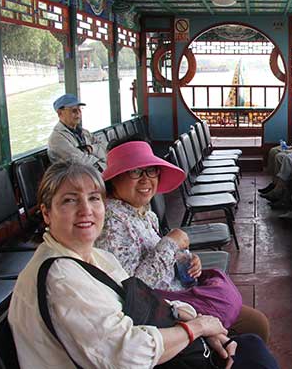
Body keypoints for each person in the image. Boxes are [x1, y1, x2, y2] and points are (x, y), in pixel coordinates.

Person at [9, 161, 277, 368]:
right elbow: (126, 355)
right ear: (46, 212)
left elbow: (141, 296)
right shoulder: (62, 279)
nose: (85, 210)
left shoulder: (95, 257)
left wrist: (202, 324)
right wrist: (196, 329)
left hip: (146, 333)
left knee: (249, 346)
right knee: (253, 353)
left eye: (93, 198)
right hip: (130, 357)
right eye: (69, 200)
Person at [95, 139, 271, 343]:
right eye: (135, 172)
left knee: (257, 324)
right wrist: (170, 243)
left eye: (151, 170)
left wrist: (186, 259)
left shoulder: (142, 211)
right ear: (114, 178)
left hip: (180, 293)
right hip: (163, 312)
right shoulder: (110, 222)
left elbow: (156, 256)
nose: (145, 180)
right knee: (256, 327)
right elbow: (133, 291)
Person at [47, 93, 107, 171]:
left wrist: (91, 149)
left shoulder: (83, 132)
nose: (78, 113)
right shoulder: (57, 139)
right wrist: (103, 163)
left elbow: (106, 147)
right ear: (60, 113)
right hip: (78, 179)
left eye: (80, 109)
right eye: (74, 110)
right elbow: (81, 162)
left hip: (93, 174)